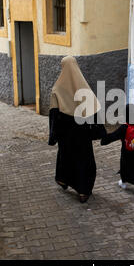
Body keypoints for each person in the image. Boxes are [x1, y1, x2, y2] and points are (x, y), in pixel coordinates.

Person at [48, 56, 105, 203]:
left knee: (66, 157)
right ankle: (84, 191)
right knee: (84, 159)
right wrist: (100, 132)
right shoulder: (84, 87)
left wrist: (53, 136)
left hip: (65, 132)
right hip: (82, 132)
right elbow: (94, 110)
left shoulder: (57, 89)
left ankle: (63, 180)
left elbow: (54, 115)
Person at [100, 104, 134, 197]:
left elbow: (113, 136)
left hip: (127, 153)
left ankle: (124, 182)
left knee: (125, 166)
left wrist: (103, 139)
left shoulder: (124, 127)